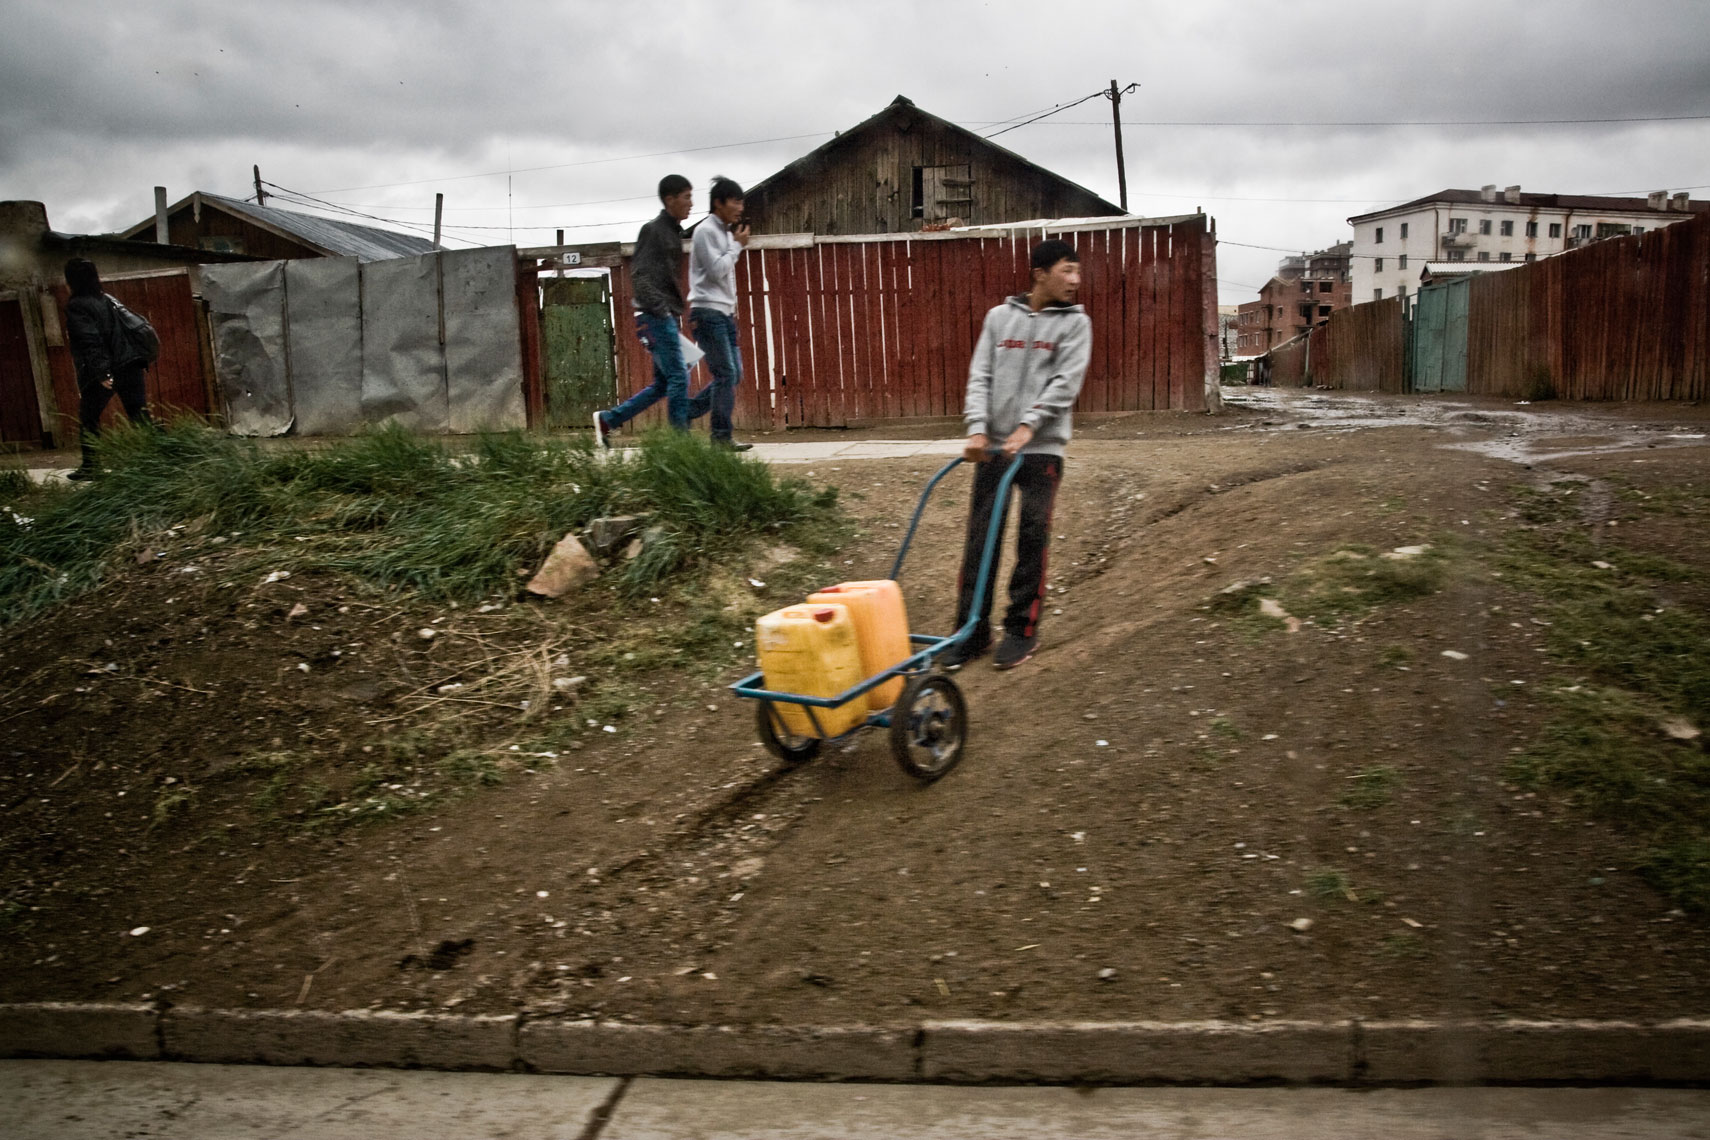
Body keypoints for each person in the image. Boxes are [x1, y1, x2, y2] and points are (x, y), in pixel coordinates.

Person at [941, 239, 1090, 672]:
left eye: (1078, 272)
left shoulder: (1076, 325)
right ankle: (971, 630)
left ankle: (1021, 630)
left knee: (1032, 537)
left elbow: (1065, 384)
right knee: (981, 538)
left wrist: (1029, 426)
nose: (1075, 281)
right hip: (994, 448)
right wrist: (976, 428)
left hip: (1041, 448)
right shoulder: (998, 319)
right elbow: (980, 376)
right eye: (1068, 271)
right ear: (1040, 273)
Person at [594, 174, 703, 447]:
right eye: (686, 197)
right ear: (670, 200)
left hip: (661, 315)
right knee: (679, 377)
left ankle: (608, 420)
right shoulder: (653, 230)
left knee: (664, 384)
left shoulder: (671, 232)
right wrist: (662, 310)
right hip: (655, 316)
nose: (691, 203)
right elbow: (640, 275)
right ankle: (681, 444)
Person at [63, 258, 152, 480]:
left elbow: (90, 340)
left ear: (71, 281)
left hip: (108, 370)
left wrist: (103, 373)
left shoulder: (77, 306)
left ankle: (91, 468)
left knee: (88, 416)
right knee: (139, 415)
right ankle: (162, 457)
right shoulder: (107, 300)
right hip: (130, 364)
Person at [686, 175, 753, 450]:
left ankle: (688, 411)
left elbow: (727, 279)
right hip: (707, 312)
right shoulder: (706, 232)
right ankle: (720, 438)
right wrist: (737, 246)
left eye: (741, 201)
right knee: (726, 374)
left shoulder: (725, 233)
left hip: (723, 314)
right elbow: (716, 271)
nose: (740, 207)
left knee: (733, 374)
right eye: (735, 201)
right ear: (718, 203)